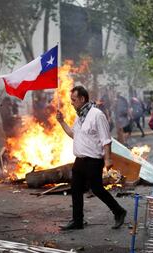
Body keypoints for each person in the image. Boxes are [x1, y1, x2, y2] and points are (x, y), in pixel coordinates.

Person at [56, 86, 127, 230]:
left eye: (74, 100)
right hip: (80, 160)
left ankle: (119, 211)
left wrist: (108, 159)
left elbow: (106, 140)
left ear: (82, 99)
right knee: (75, 190)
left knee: (97, 189)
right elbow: (73, 135)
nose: (72, 103)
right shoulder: (80, 116)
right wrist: (61, 122)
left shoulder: (97, 115)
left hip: (93, 160)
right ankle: (77, 221)